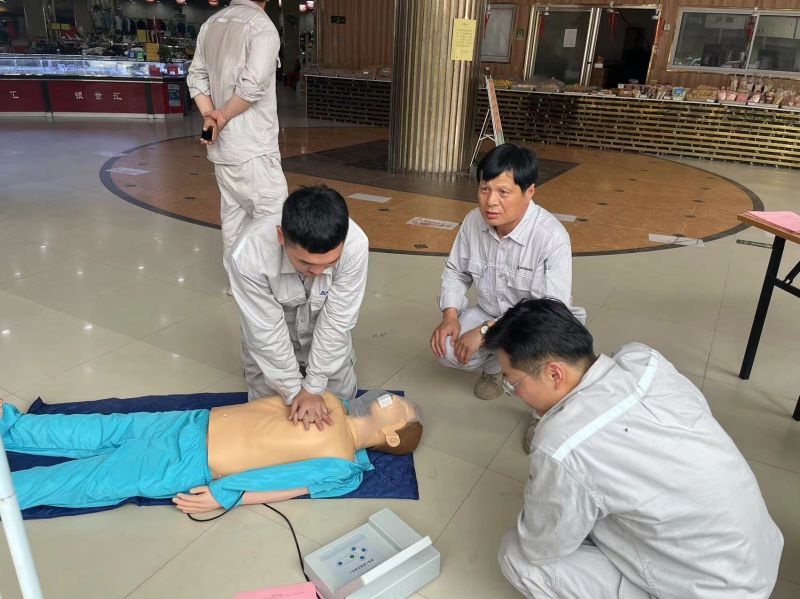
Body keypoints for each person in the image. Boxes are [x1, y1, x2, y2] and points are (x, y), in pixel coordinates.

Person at [482, 298, 783, 599]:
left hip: (709, 591)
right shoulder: (644, 360)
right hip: (758, 558)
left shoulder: (562, 444)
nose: (515, 394)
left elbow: (540, 547)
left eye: (513, 383)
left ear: (554, 374)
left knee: (517, 557)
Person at [2, 391, 421, 513]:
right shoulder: (329, 398)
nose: (392, 399)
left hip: (194, 462)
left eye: (400, 409)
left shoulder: (343, 465)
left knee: (91, 479)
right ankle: (14, 426)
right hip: (196, 421)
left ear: (392, 437)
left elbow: (287, 484)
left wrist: (226, 495)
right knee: (105, 427)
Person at [430, 143, 583, 451]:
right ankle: (495, 371)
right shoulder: (473, 222)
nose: (491, 202)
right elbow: (456, 271)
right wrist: (450, 316)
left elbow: (547, 310)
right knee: (446, 348)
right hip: (490, 311)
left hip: (539, 325)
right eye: (484, 189)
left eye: (503, 192)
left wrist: (486, 331)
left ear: (529, 192)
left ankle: (542, 413)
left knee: (545, 354)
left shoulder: (551, 237)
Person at [228, 185, 368, 430]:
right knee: (273, 421)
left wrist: (313, 387)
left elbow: (337, 320)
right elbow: (265, 331)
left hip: (325, 339)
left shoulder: (355, 245)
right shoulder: (249, 254)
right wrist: (294, 391)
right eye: (305, 263)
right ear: (281, 236)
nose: (318, 272)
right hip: (274, 345)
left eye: (330, 262)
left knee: (338, 412)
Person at [186, 0, 286, 274]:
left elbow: (196, 77)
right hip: (254, 148)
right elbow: (252, 86)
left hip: (223, 150)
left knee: (234, 220)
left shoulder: (211, 24)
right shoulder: (262, 27)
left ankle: (238, 283)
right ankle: (265, 286)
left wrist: (210, 115)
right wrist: (223, 115)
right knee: (273, 218)